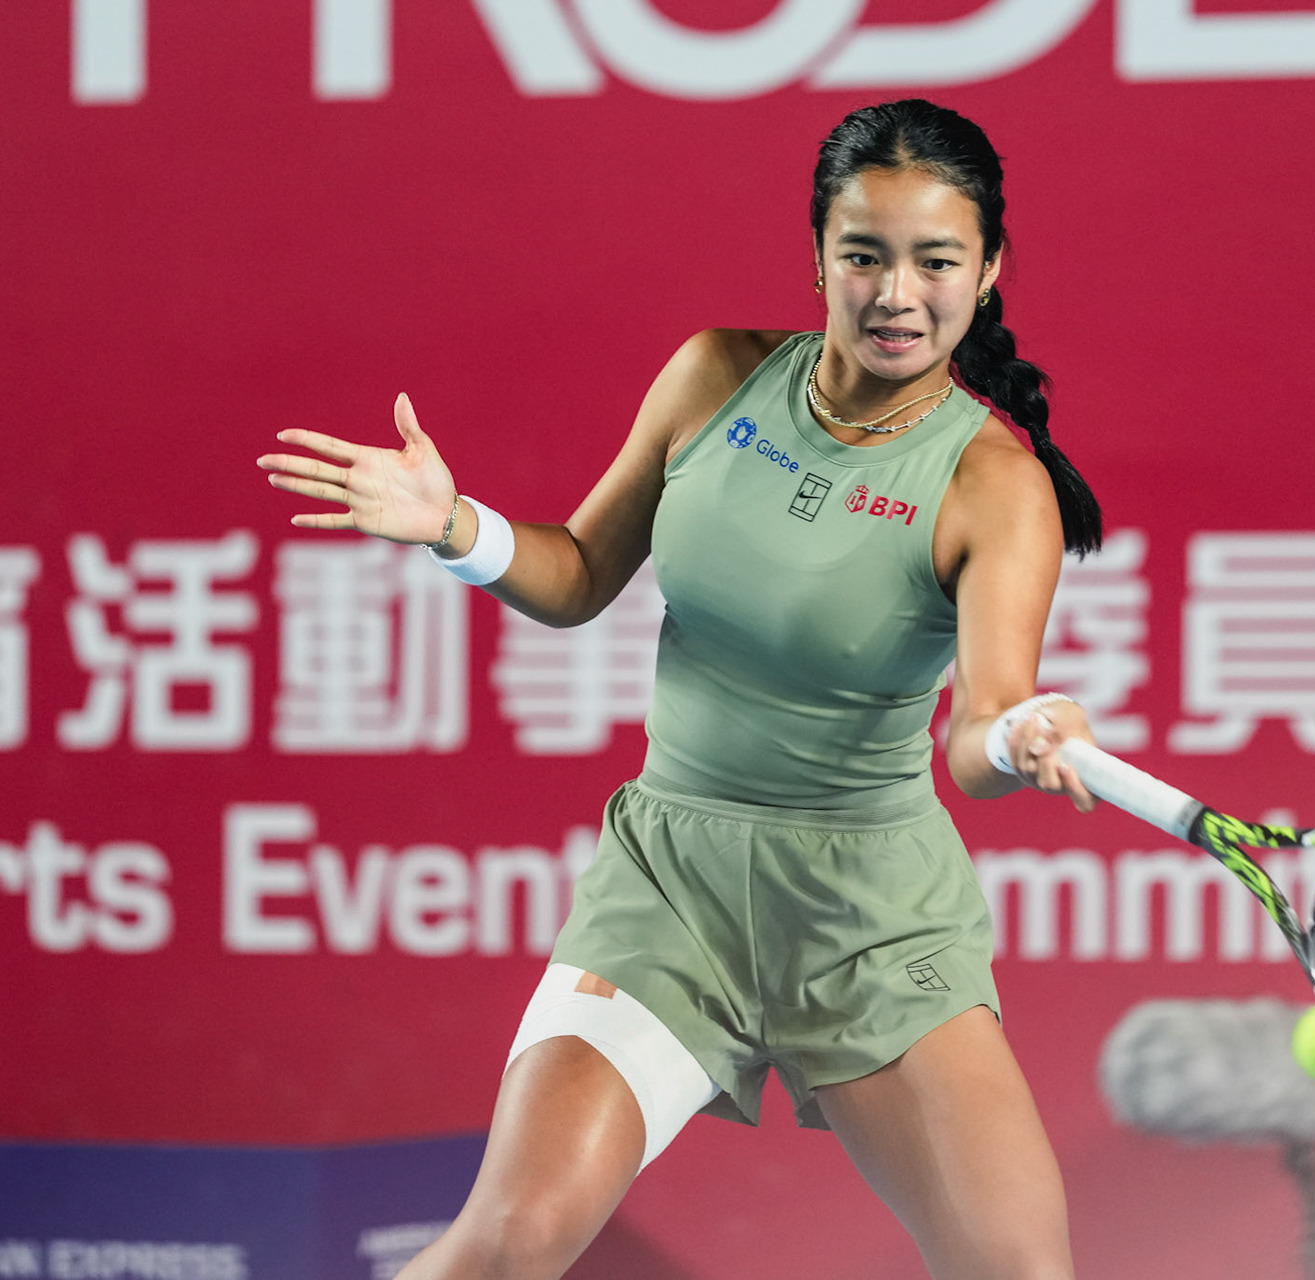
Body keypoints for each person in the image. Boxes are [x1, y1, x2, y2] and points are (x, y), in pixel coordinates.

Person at [258, 99, 1103, 1280]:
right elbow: (581, 573)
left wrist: (1020, 729)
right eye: (863, 255)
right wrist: (453, 524)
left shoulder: (995, 486)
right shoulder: (716, 376)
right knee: (507, 1243)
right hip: (671, 886)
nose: (896, 293)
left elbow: (978, 723)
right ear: (817, 256)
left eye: (935, 261)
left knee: (1021, 1271)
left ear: (989, 268)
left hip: (870, 917)